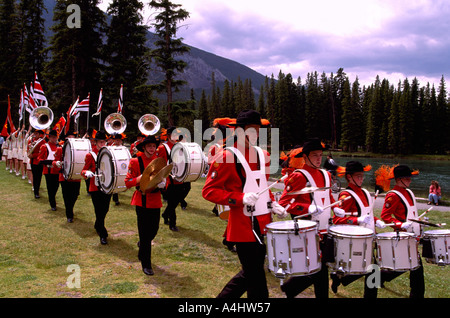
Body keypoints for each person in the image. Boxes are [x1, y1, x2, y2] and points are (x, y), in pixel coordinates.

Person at [202, 109, 287, 298]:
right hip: (242, 226)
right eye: (250, 130)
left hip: (264, 222)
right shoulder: (225, 157)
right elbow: (208, 191)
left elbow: (262, 185)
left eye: (257, 130)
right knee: (255, 278)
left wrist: (272, 203)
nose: (255, 134)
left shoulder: (262, 154)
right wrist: (240, 198)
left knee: (251, 274)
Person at [277, 138, 346, 298]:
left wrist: (336, 208)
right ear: (305, 157)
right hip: (306, 230)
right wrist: (308, 208)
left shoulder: (326, 175)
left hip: (324, 230)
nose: (318, 158)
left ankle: (290, 289)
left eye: (320, 155)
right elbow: (284, 203)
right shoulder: (298, 176)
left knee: (319, 269)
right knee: (319, 270)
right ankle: (290, 288)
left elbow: (328, 197)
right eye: (314, 155)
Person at [330, 160, 386, 297]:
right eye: (358, 176)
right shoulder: (346, 195)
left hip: (370, 237)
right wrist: (357, 220)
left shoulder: (366, 192)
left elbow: (368, 213)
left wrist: (377, 221)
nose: (361, 179)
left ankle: (341, 278)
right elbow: (337, 220)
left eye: (362, 176)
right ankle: (339, 277)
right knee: (359, 268)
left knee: (373, 270)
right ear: (349, 177)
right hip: (355, 239)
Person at [380, 164, 425, 298]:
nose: (410, 180)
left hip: (413, 235)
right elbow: (385, 216)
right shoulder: (393, 195)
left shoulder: (409, 192)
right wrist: (400, 224)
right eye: (407, 178)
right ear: (399, 179)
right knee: (414, 267)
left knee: (411, 266)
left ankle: (380, 277)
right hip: (403, 235)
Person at [125, 135, 166, 275]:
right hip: (141, 200)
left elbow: (164, 176)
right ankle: (146, 264)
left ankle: (142, 248)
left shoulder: (159, 162)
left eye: (154, 146)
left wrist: (164, 184)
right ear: (144, 147)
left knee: (153, 230)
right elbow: (128, 182)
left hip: (155, 200)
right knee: (144, 233)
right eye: (149, 146)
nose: (152, 148)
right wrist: (140, 178)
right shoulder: (135, 161)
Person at [81, 131, 112, 245]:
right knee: (99, 210)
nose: (102, 143)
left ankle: (98, 224)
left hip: (107, 185)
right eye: (100, 142)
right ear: (95, 142)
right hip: (95, 187)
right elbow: (83, 171)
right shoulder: (90, 155)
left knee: (105, 209)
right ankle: (102, 234)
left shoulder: (109, 153)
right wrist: (87, 172)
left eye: (104, 141)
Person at [157, 126, 190, 232]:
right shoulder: (163, 148)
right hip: (170, 179)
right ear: (168, 136)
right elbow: (161, 164)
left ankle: (165, 214)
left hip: (180, 178)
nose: (175, 136)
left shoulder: (180, 146)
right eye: (173, 134)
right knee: (172, 202)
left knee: (176, 201)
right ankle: (172, 223)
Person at [53, 131, 81, 223]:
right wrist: (56, 163)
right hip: (64, 176)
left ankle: (70, 208)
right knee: (66, 196)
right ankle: (69, 214)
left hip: (76, 177)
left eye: (73, 138)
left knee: (75, 194)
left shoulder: (78, 150)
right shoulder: (60, 149)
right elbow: (54, 161)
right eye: (69, 138)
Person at [38, 130, 61, 211]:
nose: (55, 139)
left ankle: (52, 198)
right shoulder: (44, 146)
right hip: (48, 170)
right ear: (50, 137)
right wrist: (51, 162)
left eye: (56, 137)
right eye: (53, 137)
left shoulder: (59, 147)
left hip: (57, 170)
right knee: (50, 188)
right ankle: (52, 204)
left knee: (56, 186)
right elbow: (40, 160)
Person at [28, 129, 46, 199]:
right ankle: (36, 192)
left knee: (39, 177)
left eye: (36, 133)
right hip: (33, 161)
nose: (35, 135)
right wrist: (29, 153)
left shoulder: (42, 142)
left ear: (39, 134)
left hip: (39, 161)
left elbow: (42, 152)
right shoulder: (31, 141)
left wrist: (34, 155)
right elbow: (28, 148)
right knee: (35, 177)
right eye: (34, 133)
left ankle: (37, 190)